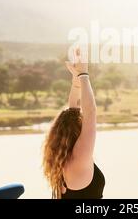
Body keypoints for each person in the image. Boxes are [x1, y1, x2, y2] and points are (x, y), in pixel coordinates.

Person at [42, 49, 105, 199]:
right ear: (77, 129)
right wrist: (83, 74)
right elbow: (90, 112)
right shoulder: (80, 156)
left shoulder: (61, 159)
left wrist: (76, 82)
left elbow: (73, 109)